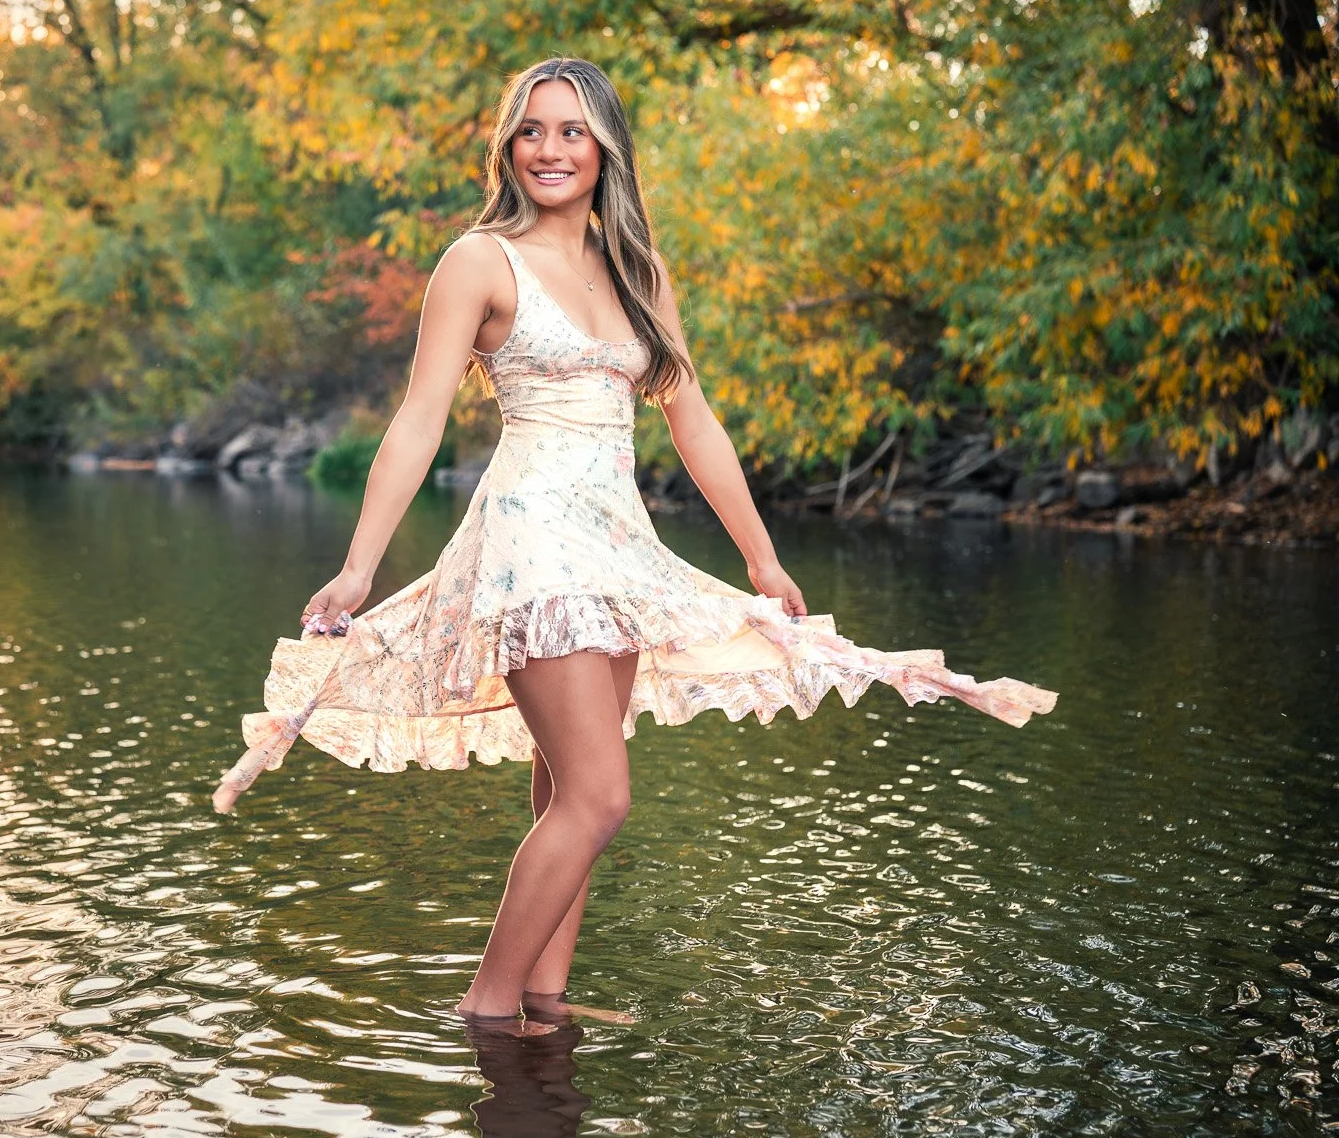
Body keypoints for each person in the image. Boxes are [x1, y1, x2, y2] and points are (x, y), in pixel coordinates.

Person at [215, 57, 1056, 1025]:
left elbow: (692, 423)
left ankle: (544, 1000)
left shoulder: (636, 272)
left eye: (571, 131)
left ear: (605, 146)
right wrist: (359, 565)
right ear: (507, 147)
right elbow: (417, 421)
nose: (548, 149)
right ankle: (487, 1009)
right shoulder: (478, 261)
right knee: (599, 797)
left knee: (569, 788)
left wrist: (761, 556)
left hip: (615, 546)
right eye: (530, 130)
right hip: (530, 545)